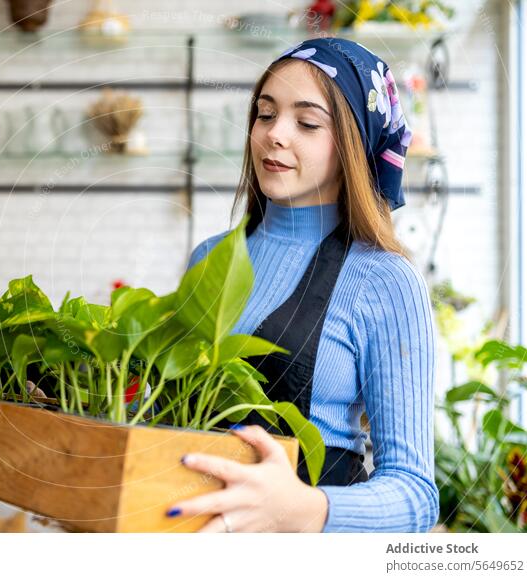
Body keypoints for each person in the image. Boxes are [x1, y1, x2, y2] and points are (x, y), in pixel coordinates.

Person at [163, 38, 439, 533]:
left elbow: (415, 495)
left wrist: (305, 510)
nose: (275, 135)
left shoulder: (384, 280)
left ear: (354, 143)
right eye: (265, 114)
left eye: (307, 123)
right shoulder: (210, 258)